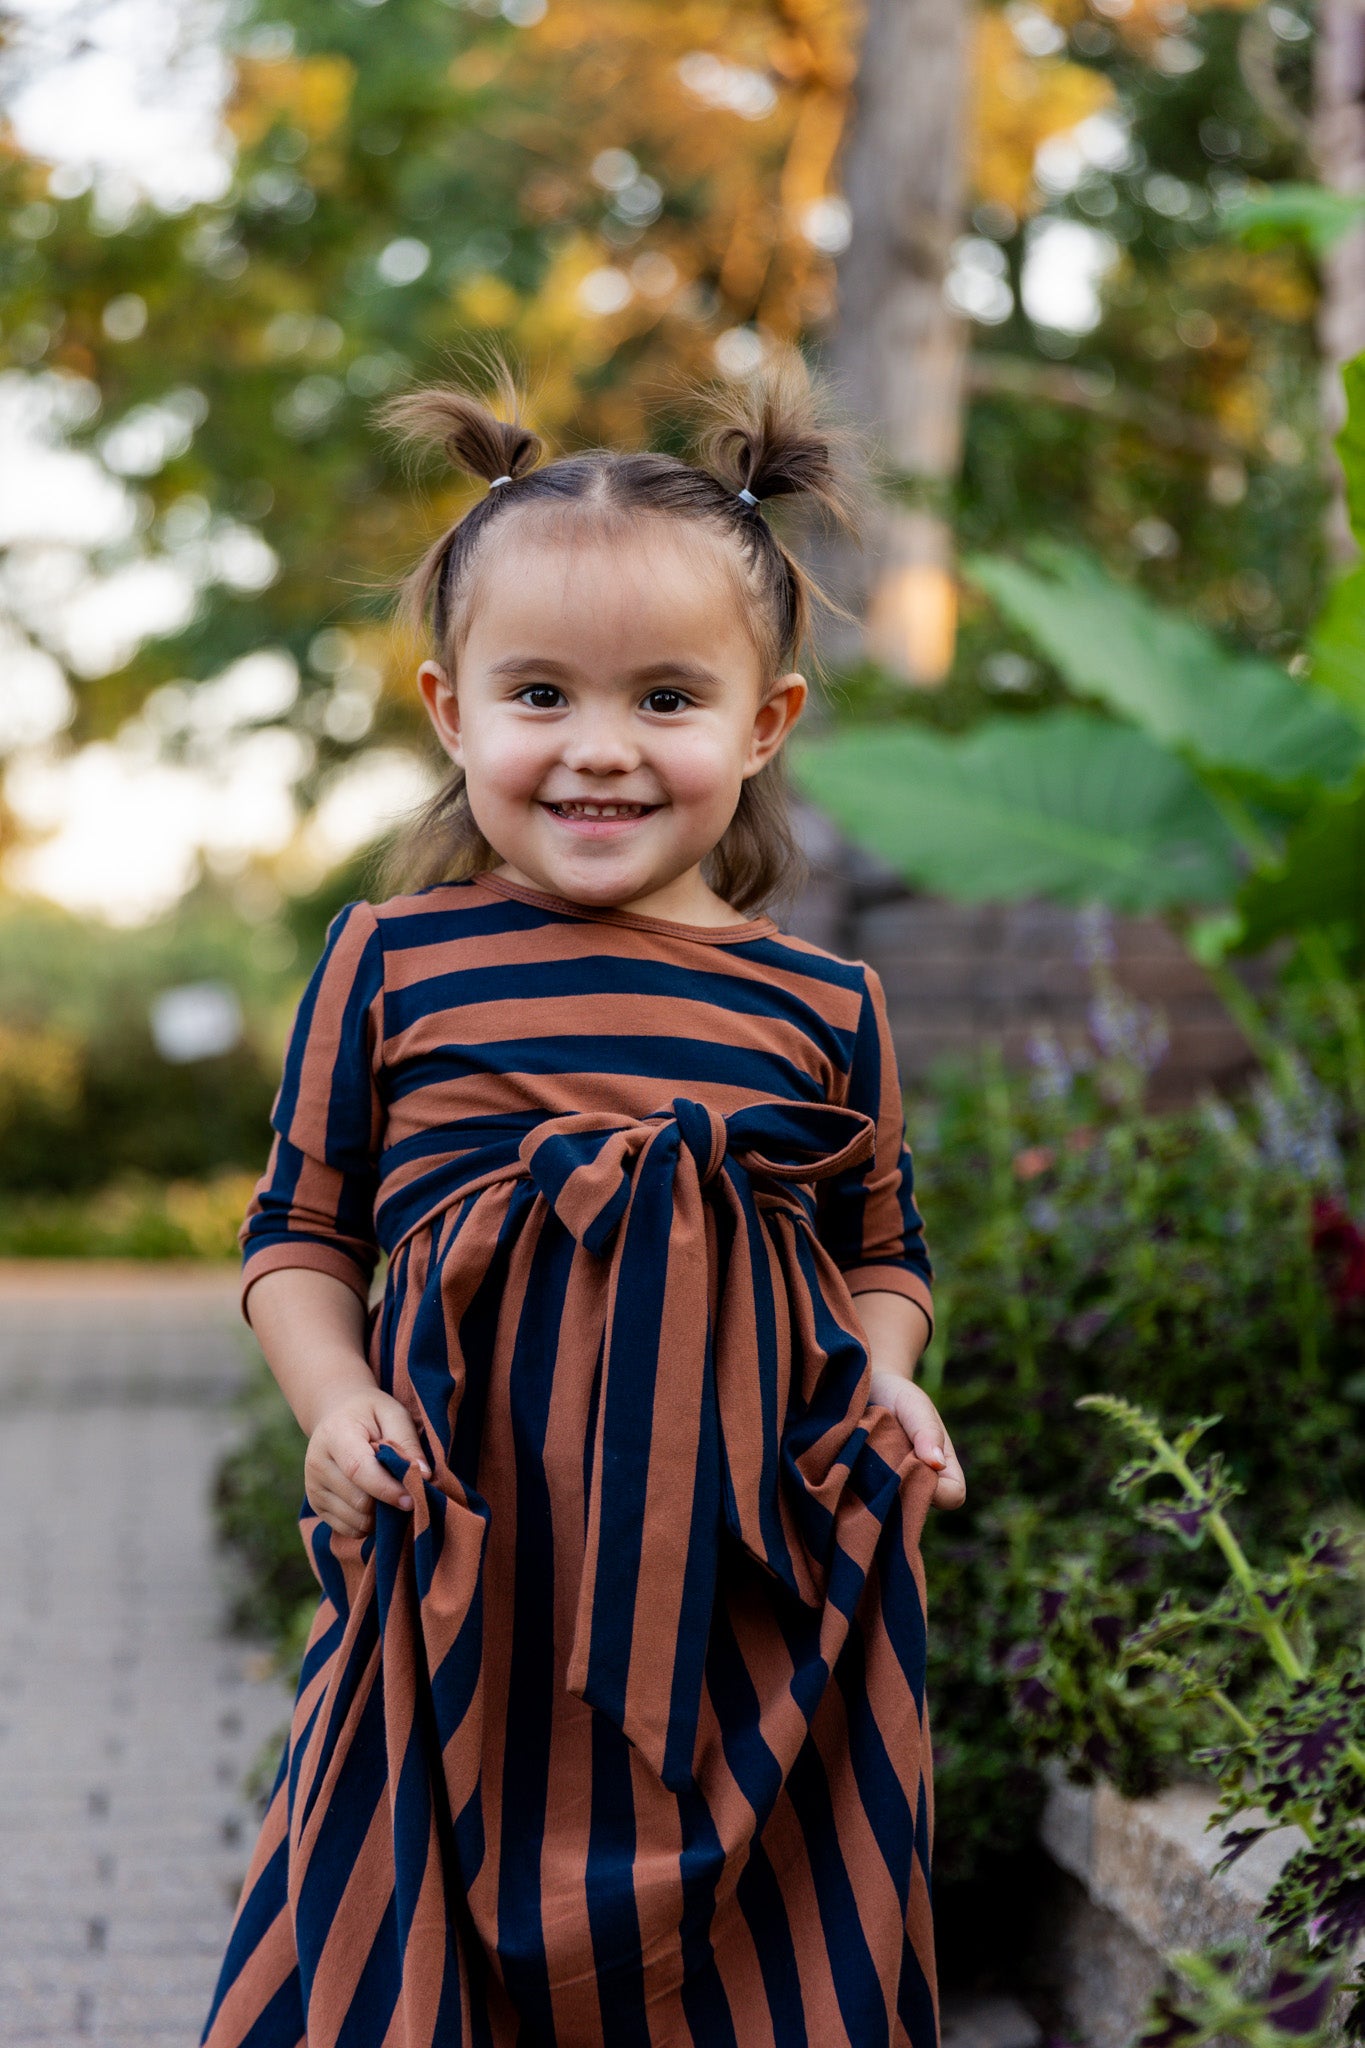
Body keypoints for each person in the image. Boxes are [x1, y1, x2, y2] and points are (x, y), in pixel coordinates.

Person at [201, 352, 965, 2048]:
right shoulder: (392, 960)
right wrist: (336, 1408)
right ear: (448, 708)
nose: (598, 753)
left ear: (762, 724)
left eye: (665, 702)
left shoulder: (820, 1003)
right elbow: (299, 1233)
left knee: (759, 1961)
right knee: (414, 1941)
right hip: (468, 1552)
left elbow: (878, 1256)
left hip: (751, 1579)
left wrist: (888, 1379)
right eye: (539, 696)